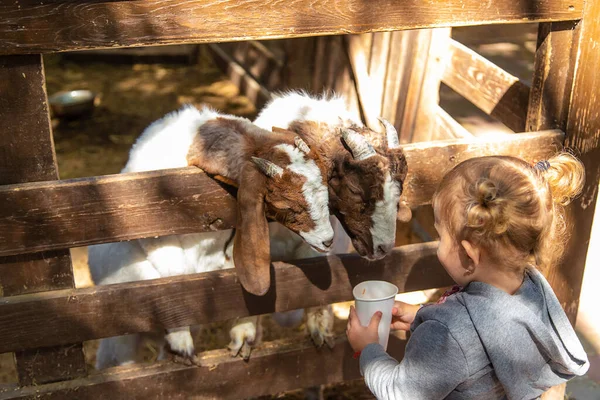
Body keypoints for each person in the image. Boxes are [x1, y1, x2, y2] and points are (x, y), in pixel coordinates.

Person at [346, 153, 590, 399]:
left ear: (468, 255)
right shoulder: (533, 289)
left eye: (441, 236)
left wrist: (369, 349)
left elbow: (399, 392)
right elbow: (479, 337)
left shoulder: (449, 332)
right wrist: (424, 315)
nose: (438, 244)